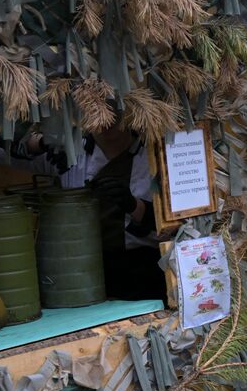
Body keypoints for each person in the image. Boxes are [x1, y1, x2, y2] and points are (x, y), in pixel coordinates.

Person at [13, 123, 165, 300]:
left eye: (114, 110)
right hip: (81, 272)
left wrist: (135, 206)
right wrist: (44, 142)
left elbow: (181, 221)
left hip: (143, 272)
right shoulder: (69, 153)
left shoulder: (155, 152)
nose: (107, 121)